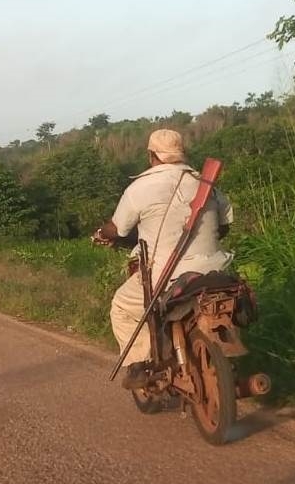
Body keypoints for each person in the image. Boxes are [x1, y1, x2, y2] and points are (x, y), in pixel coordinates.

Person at [92, 129, 234, 388]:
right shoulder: (206, 184)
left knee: (122, 306)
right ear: (182, 153)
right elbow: (224, 227)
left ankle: (139, 363)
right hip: (216, 270)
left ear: (151, 155)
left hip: (166, 276)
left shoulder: (139, 188)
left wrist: (102, 233)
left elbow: (119, 229)